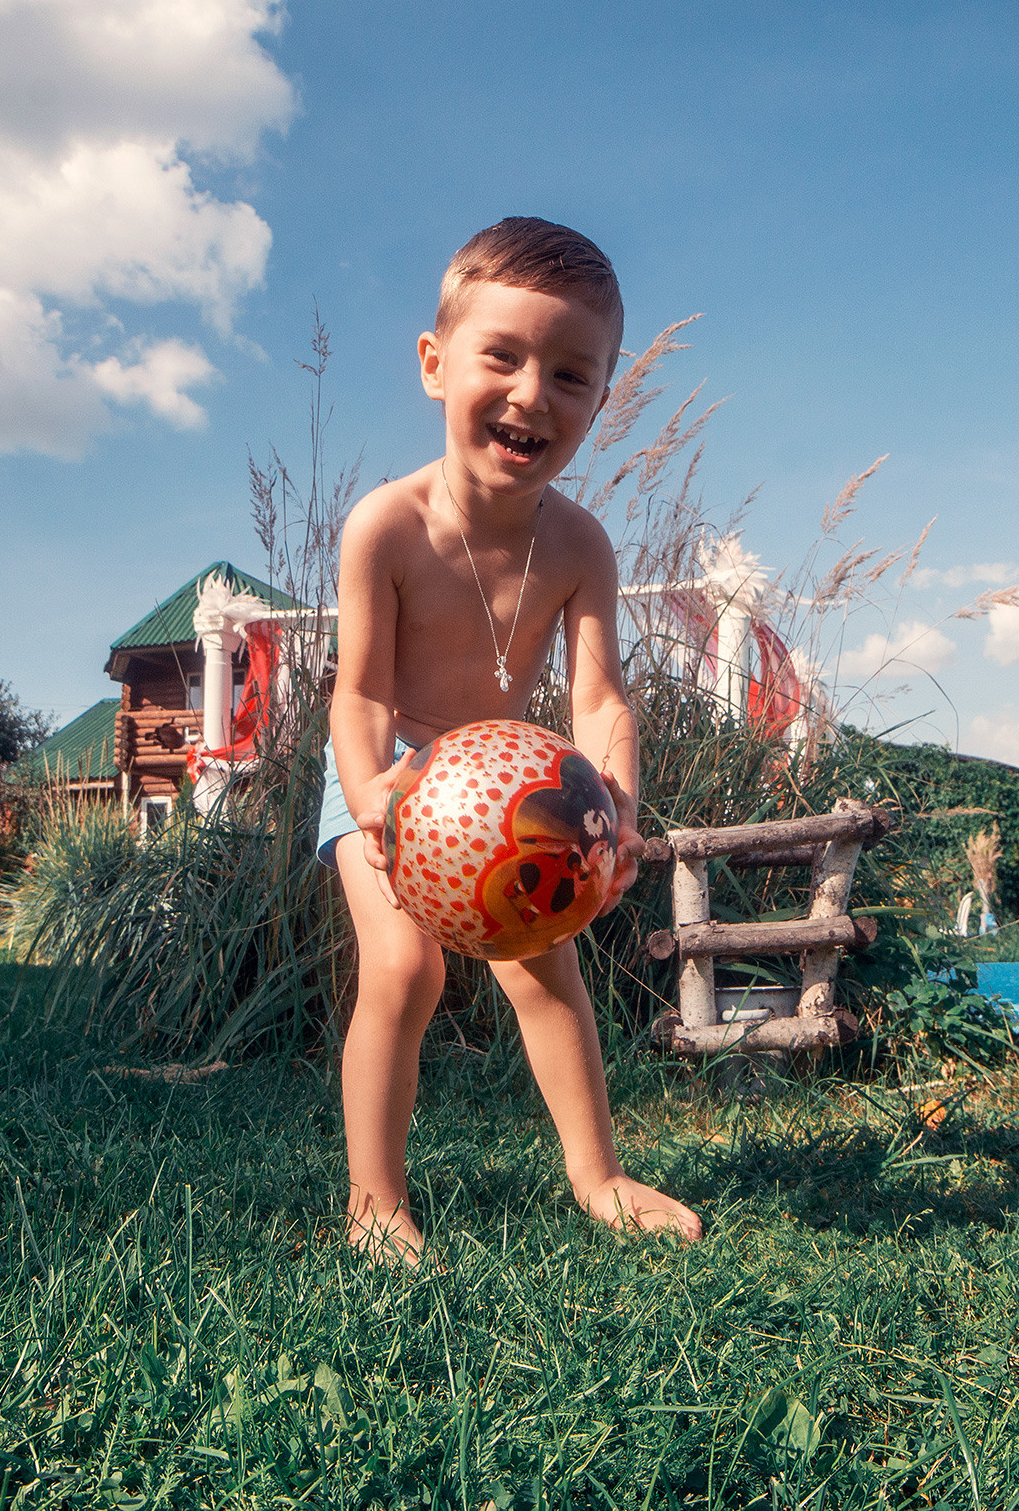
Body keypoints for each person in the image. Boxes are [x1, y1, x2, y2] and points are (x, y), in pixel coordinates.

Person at [317, 216, 704, 1264]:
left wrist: (615, 806)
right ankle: (374, 1202)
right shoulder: (385, 526)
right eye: (502, 356)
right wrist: (372, 795)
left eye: (571, 375)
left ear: (601, 399)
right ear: (435, 364)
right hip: (390, 771)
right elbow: (358, 693)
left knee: (545, 969)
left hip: (508, 788)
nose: (533, 394)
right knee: (405, 968)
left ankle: (599, 1175)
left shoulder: (581, 545)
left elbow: (601, 699)